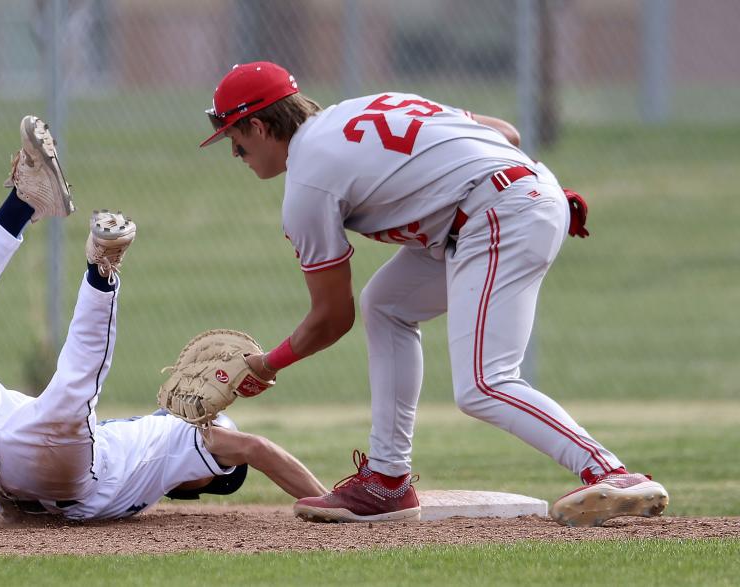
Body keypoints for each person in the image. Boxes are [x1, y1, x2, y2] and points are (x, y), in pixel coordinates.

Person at [198, 62, 669, 527]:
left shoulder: (307, 182)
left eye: (235, 144)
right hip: (507, 199)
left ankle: (611, 472)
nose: (237, 155)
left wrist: (266, 365)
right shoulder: (358, 110)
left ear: (258, 126)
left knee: (485, 383)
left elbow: (330, 317)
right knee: (386, 303)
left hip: (497, 214)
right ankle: (387, 481)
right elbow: (506, 133)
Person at [0, 115, 326, 522]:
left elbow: (254, 448)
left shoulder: (180, 445)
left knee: (69, 396)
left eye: (218, 455)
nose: (204, 422)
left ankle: (101, 271)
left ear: (207, 477)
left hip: (64, 467)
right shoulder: (171, 438)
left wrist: (333, 504)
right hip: (33, 445)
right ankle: (27, 204)